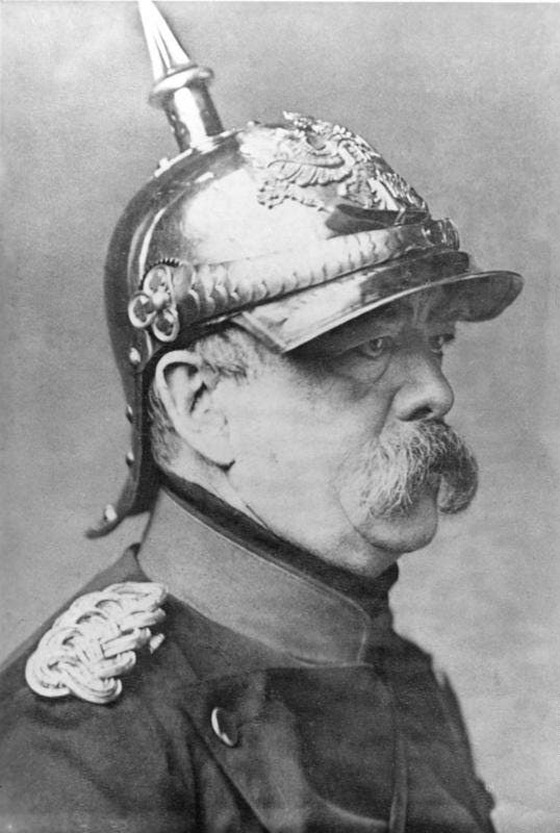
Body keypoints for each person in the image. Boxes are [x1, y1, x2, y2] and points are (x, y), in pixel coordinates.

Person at [0, 2, 526, 831]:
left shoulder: (399, 674)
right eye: (370, 346)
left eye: (436, 341)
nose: (434, 390)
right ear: (200, 404)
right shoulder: (78, 747)